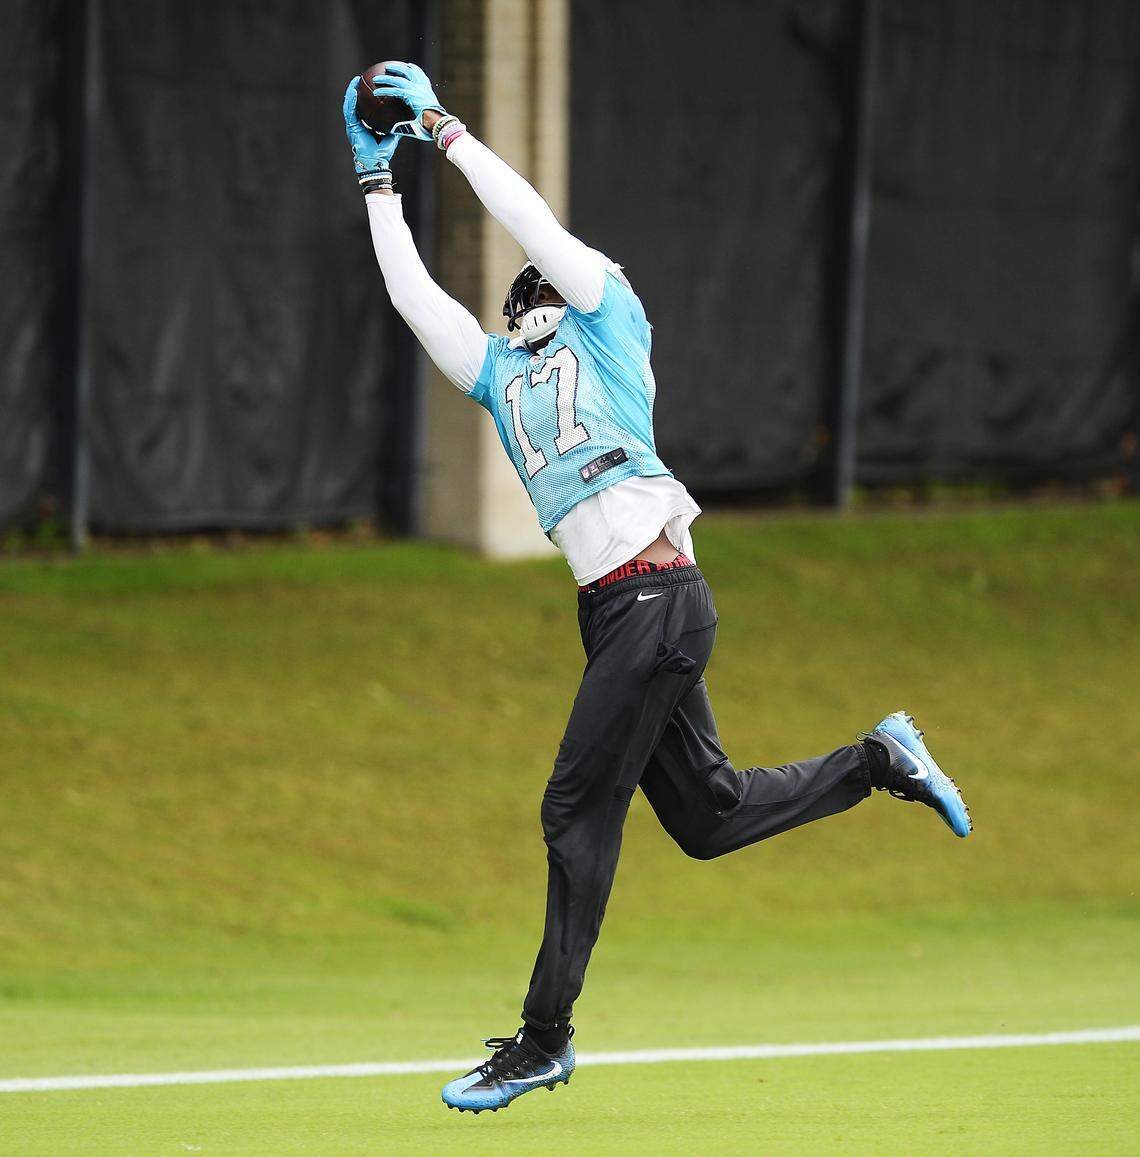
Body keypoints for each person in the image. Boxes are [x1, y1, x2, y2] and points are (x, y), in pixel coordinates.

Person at [342, 63, 972, 1116]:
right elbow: (413, 296)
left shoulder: (609, 319)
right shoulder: (504, 375)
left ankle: (543, 1038)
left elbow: (534, 222)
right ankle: (879, 758)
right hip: (621, 614)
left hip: (656, 596)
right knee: (708, 813)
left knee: (571, 807)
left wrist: (443, 131)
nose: (538, 283)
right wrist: (373, 179)